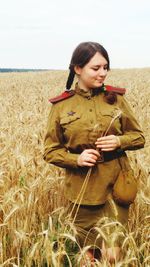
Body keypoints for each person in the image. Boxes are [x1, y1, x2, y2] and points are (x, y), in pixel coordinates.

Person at [43, 42, 145, 265]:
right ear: (77, 69)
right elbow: (50, 151)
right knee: (89, 256)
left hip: (116, 188)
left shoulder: (116, 99)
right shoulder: (60, 106)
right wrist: (76, 159)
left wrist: (119, 141)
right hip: (82, 191)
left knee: (112, 255)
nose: (103, 73)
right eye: (96, 68)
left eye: (105, 67)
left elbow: (139, 137)